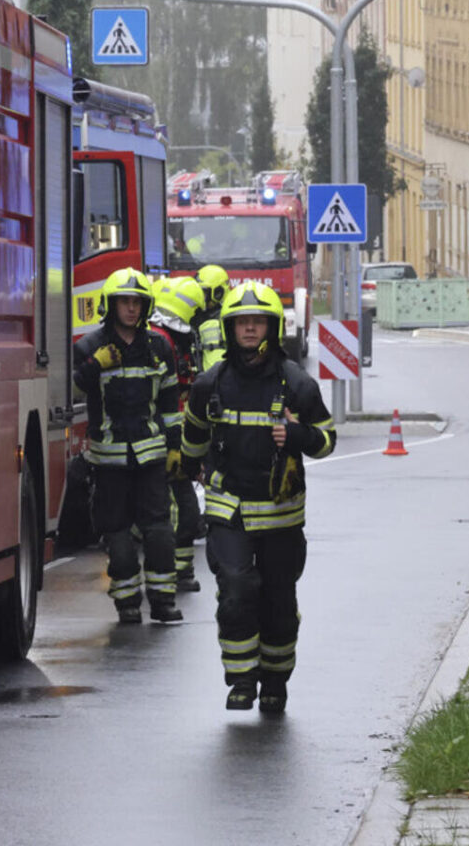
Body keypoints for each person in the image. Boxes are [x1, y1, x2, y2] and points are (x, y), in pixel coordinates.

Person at [180, 282, 336, 714]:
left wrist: (298, 435)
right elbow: (193, 438)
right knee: (235, 589)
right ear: (229, 329)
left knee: (278, 602)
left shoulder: (297, 384)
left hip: (281, 515)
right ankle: (242, 678)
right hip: (228, 509)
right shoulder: (209, 385)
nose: (249, 329)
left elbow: (327, 441)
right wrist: (185, 468)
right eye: (241, 322)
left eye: (257, 322)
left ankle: (275, 682)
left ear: (272, 327)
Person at [73, 268, 183, 625]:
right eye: (125, 302)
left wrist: (175, 448)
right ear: (111, 305)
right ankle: (127, 603)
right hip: (109, 461)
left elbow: (170, 403)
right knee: (117, 534)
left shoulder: (158, 347)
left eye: (137, 302)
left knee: (159, 531)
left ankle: (163, 600)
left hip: (151, 457)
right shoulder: (89, 347)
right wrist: (95, 366)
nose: (132, 309)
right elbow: (70, 390)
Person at [150, 276, 207, 594]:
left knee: (183, 512)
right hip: (165, 444)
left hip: (175, 442)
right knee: (180, 512)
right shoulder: (163, 343)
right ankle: (171, 574)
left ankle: (181, 571)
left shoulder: (168, 340)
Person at [194, 264, 230, 372]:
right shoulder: (196, 314)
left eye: (204, 293)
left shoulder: (224, 319)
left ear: (218, 293)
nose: (199, 298)